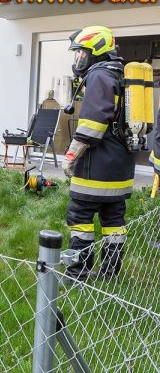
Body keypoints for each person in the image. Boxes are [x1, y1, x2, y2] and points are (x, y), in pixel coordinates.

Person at [62, 26, 136, 284]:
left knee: (80, 218)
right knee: (114, 219)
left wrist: (71, 155)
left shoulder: (100, 76)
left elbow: (93, 124)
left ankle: (77, 275)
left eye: (83, 53)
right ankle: (109, 274)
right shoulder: (120, 73)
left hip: (97, 165)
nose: (79, 59)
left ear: (97, 52)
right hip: (120, 165)